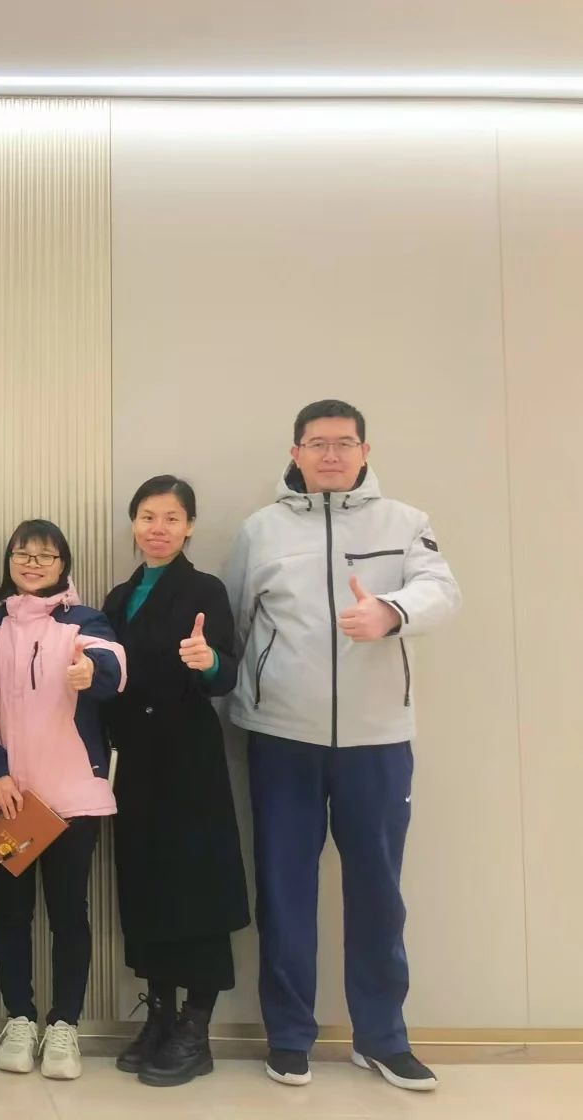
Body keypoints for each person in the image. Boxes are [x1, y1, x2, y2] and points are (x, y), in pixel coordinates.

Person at [226, 400, 461, 1092]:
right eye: (317, 443)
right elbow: (237, 620)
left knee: (379, 891)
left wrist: (390, 611)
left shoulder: (404, 522)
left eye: (344, 443)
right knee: (284, 890)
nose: (330, 454)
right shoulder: (261, 530)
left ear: (365, 450)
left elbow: (442, 591)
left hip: (378, 739)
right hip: (282, 737)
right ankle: (289, 1036)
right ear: (295, 452)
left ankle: (382, 1038)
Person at [0, 519, 125, 1082]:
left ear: (63, 565)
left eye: (46, 556)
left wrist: (92, 671)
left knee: (69, 913)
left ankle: (64, 1025)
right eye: (23, 554)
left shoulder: (85, 621)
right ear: (8, 561)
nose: (33, 564)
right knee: (10, 914)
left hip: (73, 798)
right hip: (11, 802)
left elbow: (112, 665)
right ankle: (19, 1019)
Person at [101, 476, 250, 1087]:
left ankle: (197, 1026)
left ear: (189, 527)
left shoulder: (204, 589)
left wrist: (207, 661)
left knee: (197, 887)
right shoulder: (118, 597)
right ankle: (159, 1015)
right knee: (147, 884)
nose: (157, 528)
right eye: (146, 516)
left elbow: (227, 672)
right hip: (133, 760)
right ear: (133, 524)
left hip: (188, 759)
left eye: (170, 518)